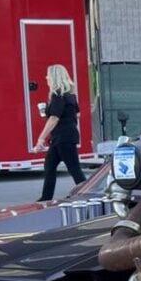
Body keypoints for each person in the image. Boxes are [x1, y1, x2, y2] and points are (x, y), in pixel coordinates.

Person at [35, 64, 87, 201]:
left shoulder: (57, 95)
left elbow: (54, 118)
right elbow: (78, 114)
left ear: (54, 77)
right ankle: (46, 198)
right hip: (66, 136)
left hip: (63, 137)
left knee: (74, 169)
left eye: (48, 75)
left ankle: (88, 195)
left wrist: (41, 138)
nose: (46, 78)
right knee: (50, 165)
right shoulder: (70, 95)